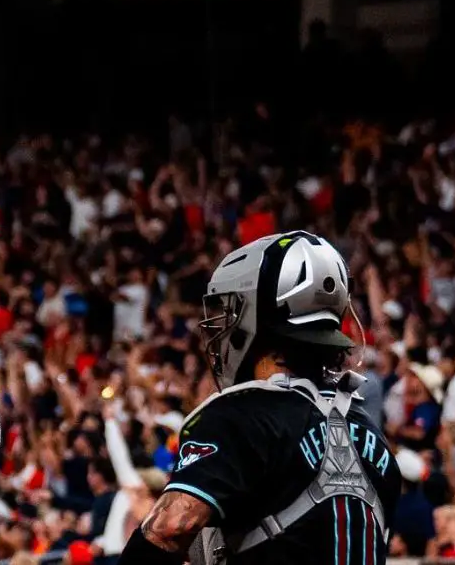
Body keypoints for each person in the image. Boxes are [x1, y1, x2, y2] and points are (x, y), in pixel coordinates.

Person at [119, 231, 401, 564]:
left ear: (256, 314)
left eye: (231, 310)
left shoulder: (241, 414)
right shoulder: (374, 438)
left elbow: (170, 528)